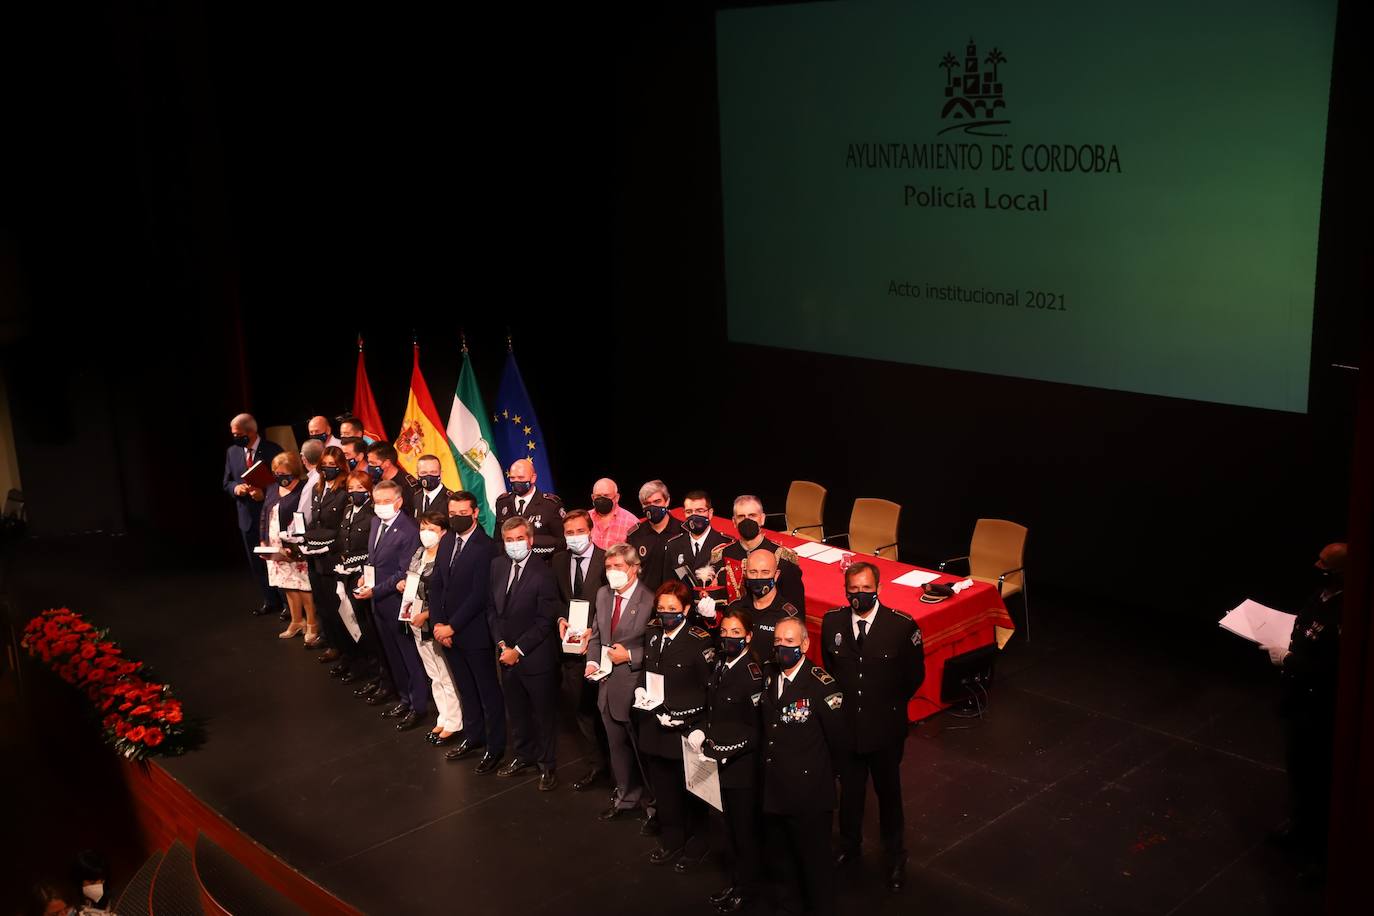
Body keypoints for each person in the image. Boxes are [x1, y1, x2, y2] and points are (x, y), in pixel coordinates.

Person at [822, 560, 925, 891]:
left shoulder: (901, 626)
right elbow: (831, 665)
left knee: (888, 793)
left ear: (878, 589)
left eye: (866, 589)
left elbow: (913, 677)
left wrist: (886, 706)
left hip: (885, 729)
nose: (860, 595)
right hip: (848, 729)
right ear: (845, 590)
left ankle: (895, 855)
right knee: (850, 794)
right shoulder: (832, 621)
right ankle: (849, 848)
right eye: (854, 590)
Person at [1260, 542, 1348, 872]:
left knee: (1318, 776)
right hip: (1297, 697)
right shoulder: (1320, 595)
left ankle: (1320, 848)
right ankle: (1299, 825)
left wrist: (1291, 659)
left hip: (1319, 705)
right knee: (1298, 768)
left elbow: (1334, 669)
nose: (1317, 567)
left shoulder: (1346, 611)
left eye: (1325, 564)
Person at [761, 617, 848, 916]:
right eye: (778, 642)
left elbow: (838, 742)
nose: (783, 648)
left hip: (808, 795)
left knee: (815, 867)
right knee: (782, 862)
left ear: (805, 644)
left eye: (790, 642)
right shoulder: (770, 676)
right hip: (775, 790)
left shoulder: (822, 686)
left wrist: (822, 778)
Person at [689, 607, 764, 913]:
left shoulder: (751, 674)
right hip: (716, 762)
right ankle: (736, 883)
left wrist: (723, 751)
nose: (728, 638)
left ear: (748, 637)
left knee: (744, 833)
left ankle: (746, 891)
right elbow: (713, 708)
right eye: (725, 632)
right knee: (728, 829)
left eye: (736, 633)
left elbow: (755, 729)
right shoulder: (720, 665)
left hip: (741, 768)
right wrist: (702, 732)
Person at [636, 580, 714, 868]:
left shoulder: (699, 640)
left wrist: (702, 726)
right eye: (661, 609)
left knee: (694, 790)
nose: (666, 614)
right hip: (655, 723)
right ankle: (672, 839)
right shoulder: (653, 633)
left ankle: (698, 842)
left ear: (687, 609)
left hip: (687, 728)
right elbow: (648, 669)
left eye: (672, 609)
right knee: (665, 789)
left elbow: (709, 688)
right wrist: (639, 690)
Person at [429, 492, 505, 773]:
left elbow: (479, 594)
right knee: (466, 690)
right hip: (446, 632)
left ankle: (495, 747)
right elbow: (437, 582)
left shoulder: (486, 547)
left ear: (475, 514)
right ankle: (474, 737)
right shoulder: (447, 539)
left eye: (463, 512)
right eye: (453, 512)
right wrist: (438, 623)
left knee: (487, 691)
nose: (457, 517)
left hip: (473, 633)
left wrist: (453, 625)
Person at [488, 515, 562, 790]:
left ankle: (547, 766)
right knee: (516, 712)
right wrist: (501, 646)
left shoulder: (543, 573)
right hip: (505, 655)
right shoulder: (496, 566)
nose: (515, 544)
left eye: (520, 539)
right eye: (509, 540)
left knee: (542, 714)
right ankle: (523, 756)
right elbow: (492, 611)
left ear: (530, 541)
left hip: (535, 658)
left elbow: (544, 621)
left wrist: (517, 650)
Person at [585, 543, 656, 828]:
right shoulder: (603, 595)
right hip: (606, 686)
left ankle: (654, 806)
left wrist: (630, 655)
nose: (613, 573)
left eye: (619, 567)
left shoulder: (650, 600)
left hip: (635, 686)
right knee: (617, 748)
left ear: (634, 568)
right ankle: (626, 798)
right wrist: (592, 661)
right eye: (609, 567)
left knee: (642, 752)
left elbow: (657, 647)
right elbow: (596, 635)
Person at [352, 479, 427, 731]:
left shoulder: (409, 530)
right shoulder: (375, 522)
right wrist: (365, 577)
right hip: (378, 603)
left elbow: (403, 572)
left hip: (396, 602)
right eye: (378, 502)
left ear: (399, 502)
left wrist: (375, 590)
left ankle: (418, 706)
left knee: (408, 656)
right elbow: (374, 559)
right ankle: (404, 698)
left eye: (386, 502)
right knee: (392, 654)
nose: (381, 507)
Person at [553, 509, 610, 791]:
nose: (574, 537)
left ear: (591, 531)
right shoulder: (559, 560)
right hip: (571, 650)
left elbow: (613, 604)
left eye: (579, 531)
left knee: (607, 713)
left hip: (601, 648)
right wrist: (561, 619)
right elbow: (556, 598)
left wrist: (595, 631)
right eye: (569, 533)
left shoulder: (606, 560)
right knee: (582, 711)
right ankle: (596, 765)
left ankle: (618, 769)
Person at [404, 511, 465, 746]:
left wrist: (427, 615)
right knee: (433, 675)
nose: (425, 533)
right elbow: (412, 580)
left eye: (431, 528)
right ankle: (443, 716)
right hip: (414, 620)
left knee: (445, 674)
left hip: (433, 621)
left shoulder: (447, 557)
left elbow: (447, 596)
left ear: (443, 532)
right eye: (422, 527)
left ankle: (455, 722)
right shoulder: (420, 552)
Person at [222, 413, 283, 616]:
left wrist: (264, 494)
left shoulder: (273, 450)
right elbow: (227, 482)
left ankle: (286, 604)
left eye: (238, 434)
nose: (235, 438)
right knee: (257, 563)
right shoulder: (232, 452)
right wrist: (236, 489)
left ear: (251, 432)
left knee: (276, 561)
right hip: (247, 518)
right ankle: (269, 600)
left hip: (270, 516)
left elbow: (284, 482)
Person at [333, 470, 386, 693]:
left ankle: (382, 677)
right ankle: (372, 674)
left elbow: (371, 550)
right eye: (351, 489)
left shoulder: (372, 515)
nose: (355, 493)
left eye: (360, 489)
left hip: (365, 575)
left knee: (370, 629)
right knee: (357, 627)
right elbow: (343, 543)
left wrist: (359, 565)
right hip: (348, 575)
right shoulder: (347, 511)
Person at [260, 451, 317, 642]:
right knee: (287, 584)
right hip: (274, 546)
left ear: (293, 471)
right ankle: (296, 621)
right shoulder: (271, 488)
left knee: (302, 585)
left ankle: (311, 624)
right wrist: (263, 540)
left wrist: (293, 546)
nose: (279, 476)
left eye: (283, 472)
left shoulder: (303, 489)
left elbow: (305, 520)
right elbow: (264, 514)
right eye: (276, 472)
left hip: (293, 546)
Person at [302, 446, 351, 663]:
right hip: (315, 554)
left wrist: (327, 543)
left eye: (333, 465)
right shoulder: (317, 488)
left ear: (340, 466)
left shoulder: (345, 489)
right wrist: (302, 538)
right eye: (325, 465)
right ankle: (332, 643)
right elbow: (315, 520)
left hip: (334, 554)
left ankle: (344, 649)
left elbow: (343, 526)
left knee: (335, 605)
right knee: (321, 604)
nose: (328, 469)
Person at [718, 495, 805, 608]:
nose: (747, 520)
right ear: (734, 522)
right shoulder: (724, 554)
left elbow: (795, 608)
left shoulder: (782, 557)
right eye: (741, 516)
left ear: (762, 519)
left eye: (752, 515)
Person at [662, 490, 733, 611]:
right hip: (684, 616)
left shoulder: (726, 545)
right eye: (689, 512)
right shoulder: (673, 545)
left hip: (716, 617)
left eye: (699, 511)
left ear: (710, 513)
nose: (694, 516)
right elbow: (668, 586)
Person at [728, 548, 804, 660]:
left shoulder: (788, 616)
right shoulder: (736, 608)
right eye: (753, 572)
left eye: (765, 572)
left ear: (776, 575)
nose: (758, 578)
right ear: (745, 574)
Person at [494, 458, 566, 561]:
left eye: (521, 477)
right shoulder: (502, 503)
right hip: (510, 564)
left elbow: (561, 541)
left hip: (542, 564)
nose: (516, 481)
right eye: (512, 478)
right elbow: (497, 540)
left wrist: (529, 543)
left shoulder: (550, 505)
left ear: (533, 478)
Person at [626, 479, 674, 590]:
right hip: (645, 600)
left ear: (667, 501)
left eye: (657, 501)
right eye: (647, 503)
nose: (652, 507)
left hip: (676, 600)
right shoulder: (635, 535)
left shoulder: (683, 532)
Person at [589, 477, 640, 549]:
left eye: (606, 496)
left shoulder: (631, 522)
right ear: (593, 497)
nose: (602, 499)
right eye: (598, 496)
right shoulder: (584, 518)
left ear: (617, 497)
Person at [365, 441, 419, 507]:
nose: (369, 466)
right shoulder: (375, 481)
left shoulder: (406, 485)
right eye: (369, 462)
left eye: (373, 463)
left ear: (387, 463)